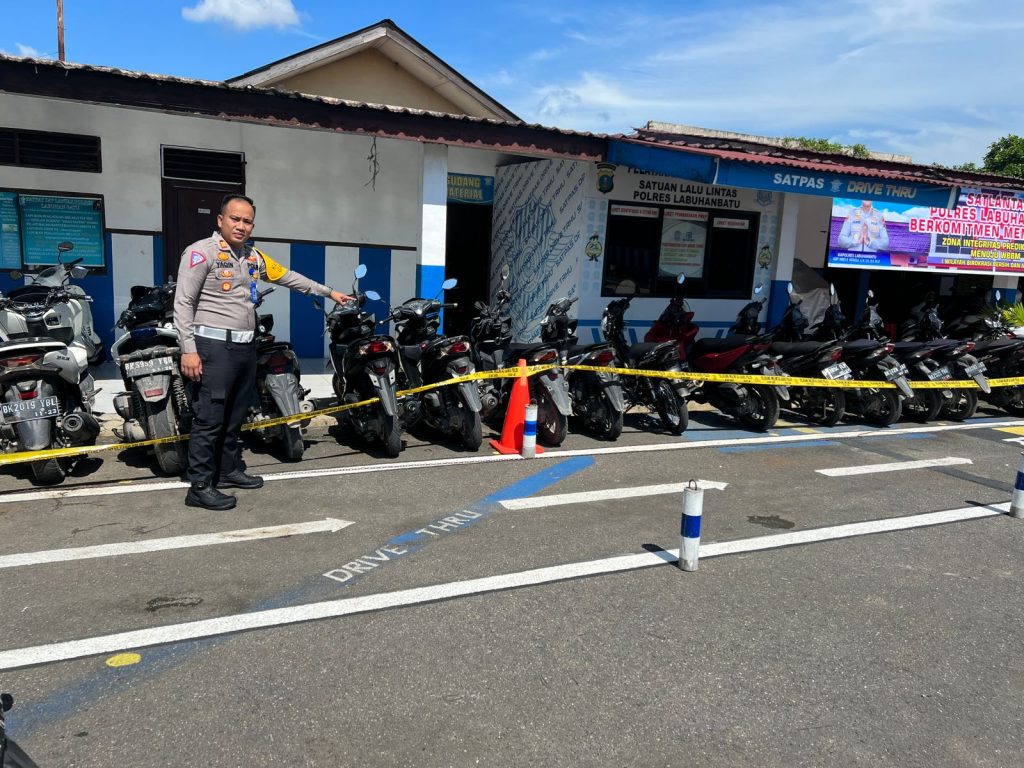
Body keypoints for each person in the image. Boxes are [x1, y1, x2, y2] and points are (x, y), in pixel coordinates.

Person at [173, 194, 351, 510]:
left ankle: (227, 471)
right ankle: (199, 485)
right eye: (235, 219)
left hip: (245, 348)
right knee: (210, 418)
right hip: (214, 348)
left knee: (234, 416)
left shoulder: (253, 257)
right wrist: (189, 350)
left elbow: (288, 277)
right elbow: (184, 302)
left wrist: (329, 293)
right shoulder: (201, 253)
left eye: (247, 221)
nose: (241, 226)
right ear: (220, 220)